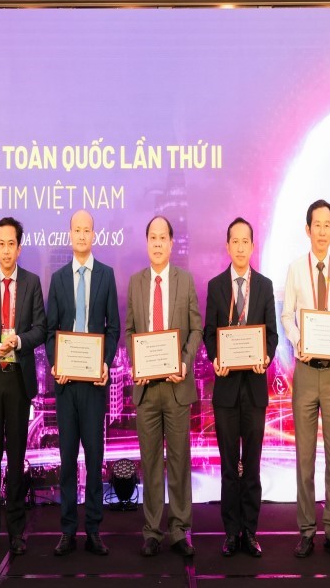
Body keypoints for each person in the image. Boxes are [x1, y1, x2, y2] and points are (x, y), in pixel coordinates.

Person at [125, 216, 203, 558]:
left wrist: (184, 362)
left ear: (171, 243)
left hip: (176, 386)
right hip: (147, 389)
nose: (157, 243)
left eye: (162, 238)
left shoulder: (185, 280)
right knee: (151, 461)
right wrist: (136, 363)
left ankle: (180, 530)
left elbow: (197, 329)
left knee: (180, 461)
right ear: (147, 243)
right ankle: (152, 531)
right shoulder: (135, 282)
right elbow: (130, 331)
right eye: (152, 238)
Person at [45, 209, 120, 557]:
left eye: (86, 230)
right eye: (76, 230)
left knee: (93, 460)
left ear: (93, 235)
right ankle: (67, 530)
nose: (81, 235)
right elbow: (50, 331)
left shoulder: (106, 275)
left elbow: (113, 328)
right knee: (67, 460)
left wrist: (105, 364)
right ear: (70, 234)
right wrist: (55, 363)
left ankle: (93, 529)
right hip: (66, 383)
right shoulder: (58, 278)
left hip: (93, 384)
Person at [281, 199, 330, 558]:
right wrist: (299, 341)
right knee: (305, 457)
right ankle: (307, 530)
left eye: (328, 225)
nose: (322, 231)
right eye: (317, 225)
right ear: (307, 229)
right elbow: (286, 315)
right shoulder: (296, 269)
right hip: (307, 373)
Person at [203, 217, 278, 558]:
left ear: (252, 245)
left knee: (253, 466)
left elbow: (271, 334)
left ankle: (250, 531)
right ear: (228, 246)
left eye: (245, 241)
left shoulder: (264, 285)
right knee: (229, 466)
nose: (240, 247)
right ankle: (231, 533)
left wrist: (266, 356)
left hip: (255, 390)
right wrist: (215, 358)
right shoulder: (216, 286)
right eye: (234, 241)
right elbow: (210, 333)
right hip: (226, 391)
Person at [0, 217, 46, 557]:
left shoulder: (32, 283)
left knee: (16, 461)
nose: (5, 250)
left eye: (11, 244)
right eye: (0, 244)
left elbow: (41, 328)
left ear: (19, 247)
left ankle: (16, 531)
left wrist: (18, 340)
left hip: (18, 380)